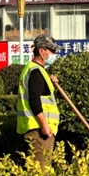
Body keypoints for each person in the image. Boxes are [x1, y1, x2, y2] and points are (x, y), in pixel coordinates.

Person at [17, 35, 61, 165]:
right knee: (41, 170)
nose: (54, 54)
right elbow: (34, 101)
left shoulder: (37, 70)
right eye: (52, 51)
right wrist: (44, 125)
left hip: (37, 128)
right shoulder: (35, 71)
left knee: (42, 169)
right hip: (39, 130)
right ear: (41, 51)